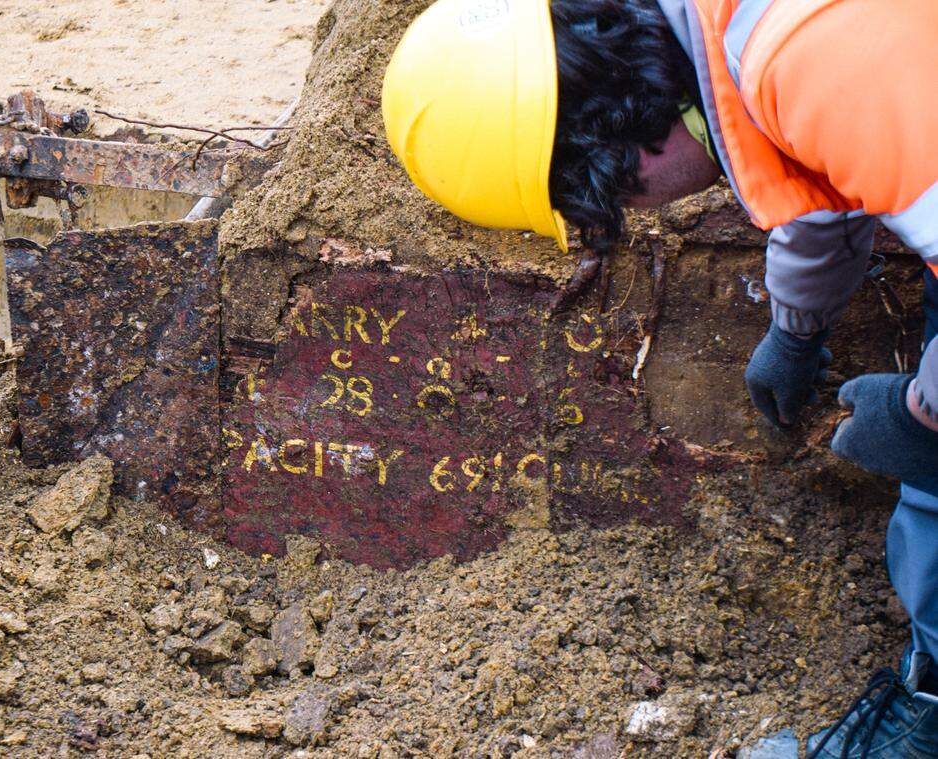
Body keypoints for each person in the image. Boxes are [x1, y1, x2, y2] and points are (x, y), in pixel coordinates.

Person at [381, 0, 938, 755]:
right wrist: (795, 330)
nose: (641, 211)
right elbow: (824, 173)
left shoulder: (812, 56)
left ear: (615, 147)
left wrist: (920, 411)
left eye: (613, 203)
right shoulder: (746, 38)